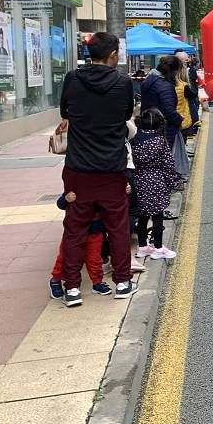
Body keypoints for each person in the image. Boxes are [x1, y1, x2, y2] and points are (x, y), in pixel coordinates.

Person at [55, 32, 137, 304]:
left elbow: (64, 110)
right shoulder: (123, 83)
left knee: (75, 228)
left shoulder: (73, 78)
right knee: (118, 227)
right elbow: (126, 115)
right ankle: (123, 282)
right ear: (113, 55)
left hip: (78, 169)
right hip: (112, 168)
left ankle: (73, 289)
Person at [130, 108, 180, 260]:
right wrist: (173, 182)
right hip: (156, 180)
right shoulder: (159, 141)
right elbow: (168, 165)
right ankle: (158, 248)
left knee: (143, 215)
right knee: (157, 216)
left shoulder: (134, 140)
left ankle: (143, 246)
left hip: (138, 181)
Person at [49, 193, 110, 304]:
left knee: (94, 258)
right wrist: (66, 199)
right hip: (74, 229)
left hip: (95, 230)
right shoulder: (76, 185)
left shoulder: (100, 185)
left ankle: (97, 282)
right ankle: (55, 280)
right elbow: (61, 203)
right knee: (65, 257)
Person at [140, 55, 183, 148]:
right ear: (173, 71)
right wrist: (179, 119)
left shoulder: (147, 81)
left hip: (147, 126)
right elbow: (169, 111)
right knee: (165, 158)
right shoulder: (165, 86)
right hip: (164, 130)